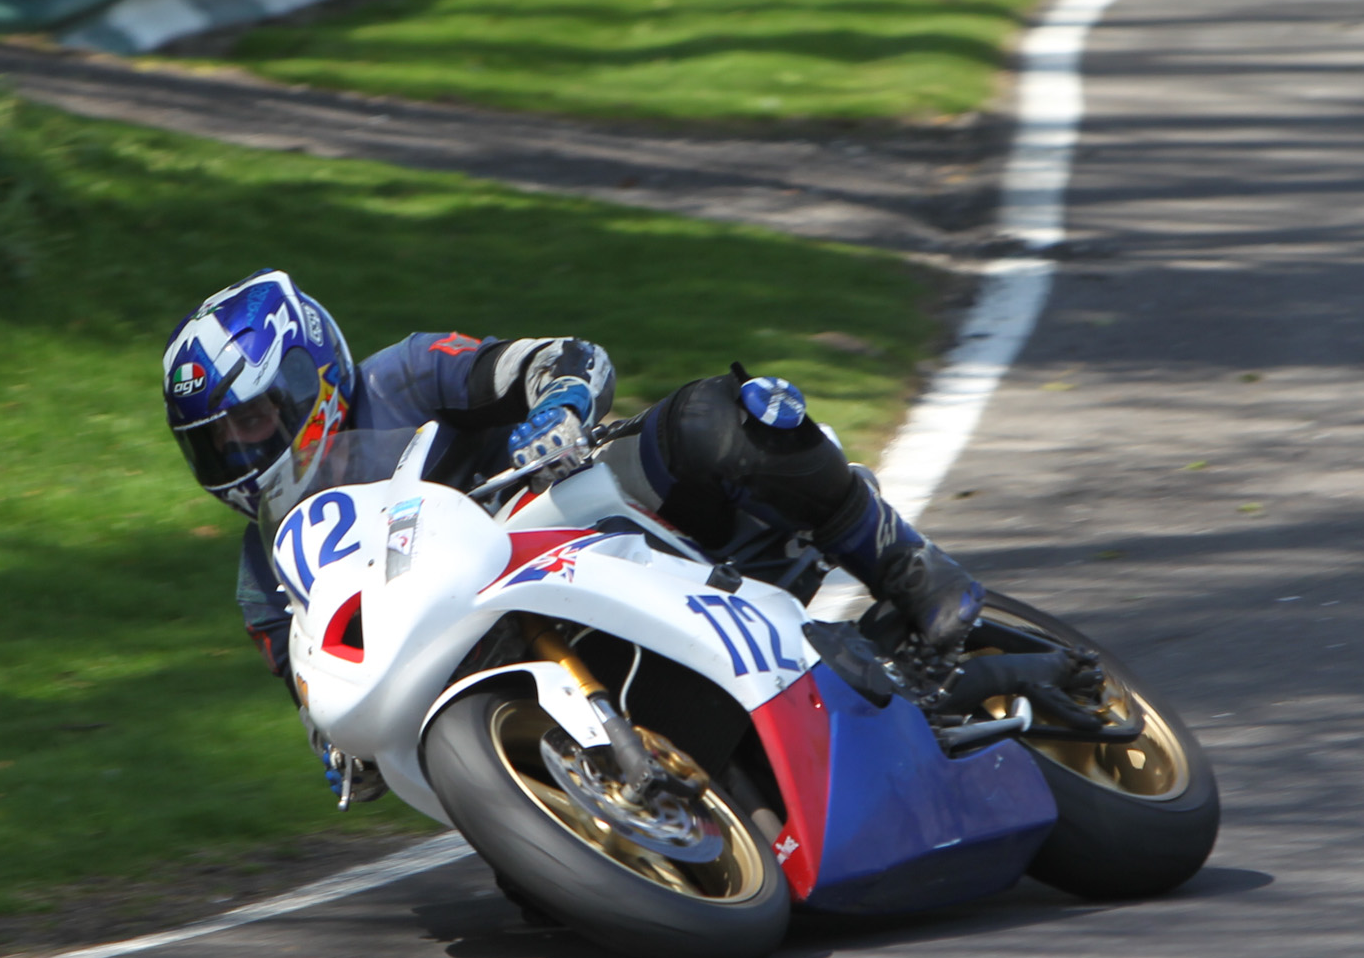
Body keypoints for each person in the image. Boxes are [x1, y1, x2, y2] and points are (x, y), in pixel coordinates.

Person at [160, 268, 985, 740]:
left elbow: (559, 357)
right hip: (480, 649)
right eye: (218, 440)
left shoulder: (402, 375)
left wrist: (555, 408)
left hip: (562, 511)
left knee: (712, 415)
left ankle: (905, 563)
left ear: (313, 374)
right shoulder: (266, 574)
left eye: (254, 417)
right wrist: (336, 744)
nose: (242, 449)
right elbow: (313, 690)